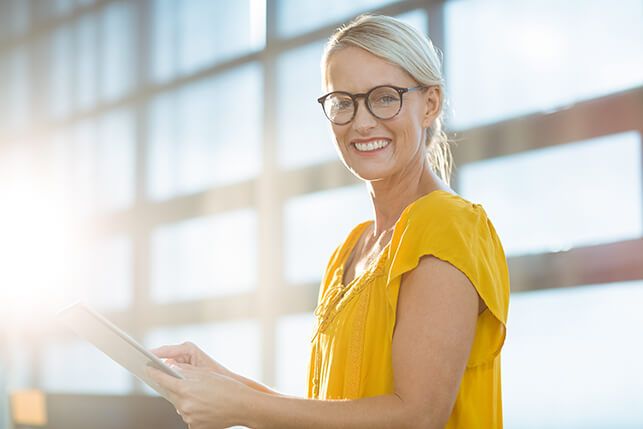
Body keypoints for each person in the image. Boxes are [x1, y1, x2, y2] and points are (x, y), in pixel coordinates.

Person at [147, 14, 510, 429]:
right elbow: (336, 412)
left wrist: (241, 407)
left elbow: (417, 417)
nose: (362, 121)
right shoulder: (351, 250)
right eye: (343, 101)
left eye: (385, 97)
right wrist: (223, 382)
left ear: (430, 104)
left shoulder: (448, 224)